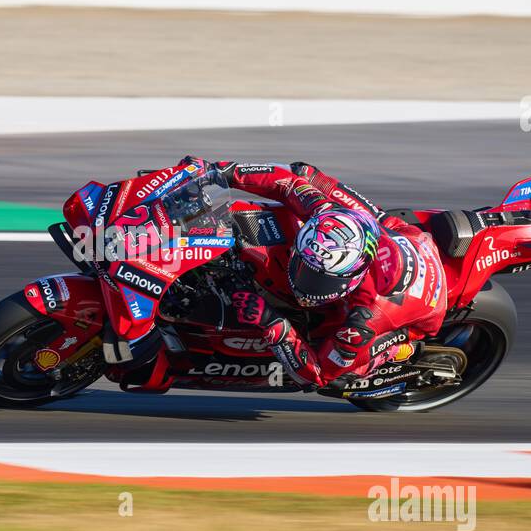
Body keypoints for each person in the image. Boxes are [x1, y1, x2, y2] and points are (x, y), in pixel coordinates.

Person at [155, 157, 449, 391]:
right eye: (304, 266)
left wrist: (272, 322)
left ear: (352, 277)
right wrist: (216, 172)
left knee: (339, 376)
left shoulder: (364, 319)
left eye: (318, 278)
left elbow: (316, 376)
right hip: (393, 232)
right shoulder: (324, 212)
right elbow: (286, 182)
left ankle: (401, 350)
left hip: (413, 311)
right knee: (304, 173)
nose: (305, 282)